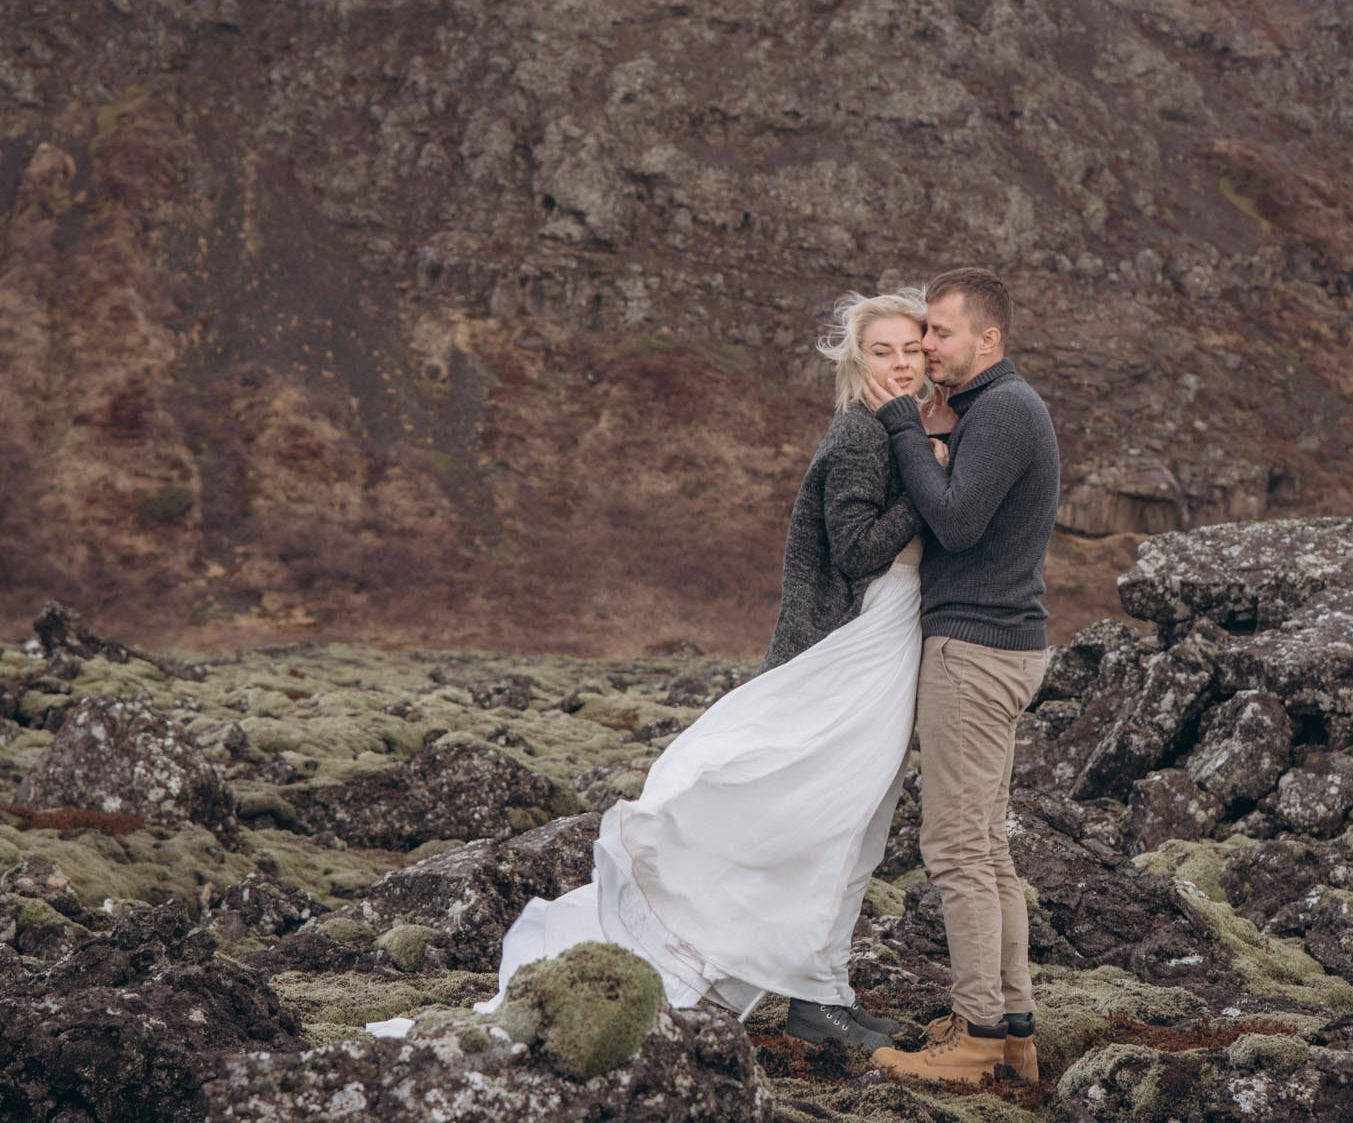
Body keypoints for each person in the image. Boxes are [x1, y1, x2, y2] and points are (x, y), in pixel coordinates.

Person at [368, 290, 953, 1051]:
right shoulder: (860, 436)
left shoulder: (894, 433)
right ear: (856, 362)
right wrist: (928, 482)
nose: (901, 362)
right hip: (854, 649)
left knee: (854, 824)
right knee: (825, 819)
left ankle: (827, 989)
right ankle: (812, 996)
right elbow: (857, 549)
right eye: (883, 351)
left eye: (911, 348)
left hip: (883, 641)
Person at [856, 266, 1060, 1086]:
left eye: (940, 331)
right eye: (924, 332)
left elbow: (955, 520)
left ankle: (974, 1037)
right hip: (1000, 644)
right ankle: (1011, 1031)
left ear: (990, 338)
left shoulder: (1006, 411)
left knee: (954, 850)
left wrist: (904, 427)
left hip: (975, 650)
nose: (928, 345)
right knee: (987, 847)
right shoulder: (990, 409)